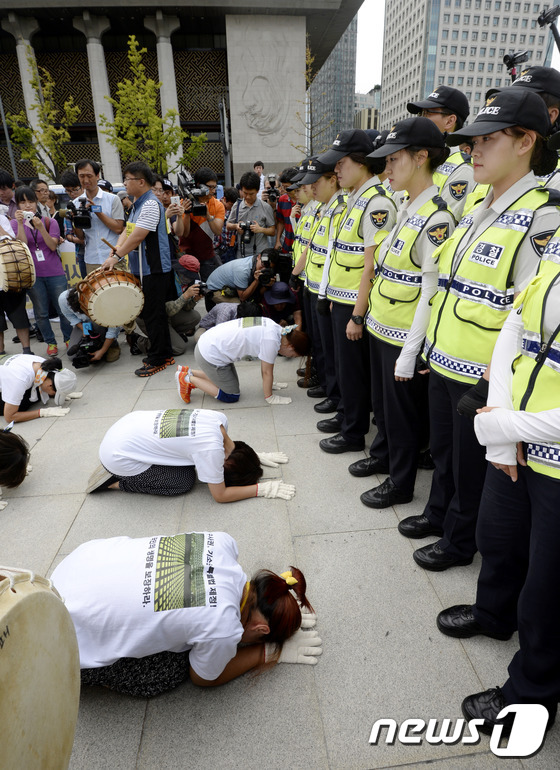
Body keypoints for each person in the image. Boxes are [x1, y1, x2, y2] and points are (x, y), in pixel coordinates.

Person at [400, 88, 560, 571]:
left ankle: (458, 542)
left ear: (525, 141)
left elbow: (526, 315)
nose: (474, 151)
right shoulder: (477, 205)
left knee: (473, 470)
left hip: (482, 374)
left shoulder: (541, 215)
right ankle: (441, 518)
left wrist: (494, 384)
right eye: (472, 142)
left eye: (488, 140)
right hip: (445, 356)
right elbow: (448, 284)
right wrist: (425, 347)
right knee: (446, 456)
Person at [435, 236, 560, 735]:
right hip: (518, 443)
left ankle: (532, 694)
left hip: (543, 449)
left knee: (548, 592)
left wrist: (506, 428)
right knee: (497, 540)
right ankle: (493, 614)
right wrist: (503, 426)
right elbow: (517, 320)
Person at [51, 531, 321, 696]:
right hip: (62, 644)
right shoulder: (225, 627)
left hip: (71, 571)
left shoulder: (222, 541)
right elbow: (203, 678)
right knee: (167, 671)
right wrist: (267, 653)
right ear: (262, 631)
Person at [360, 118, 455, 508]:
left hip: (403, 334)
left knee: (402, 417)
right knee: (384, 409)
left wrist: (409, 352)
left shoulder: (437, 217)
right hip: (381, 324)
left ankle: (400, 483)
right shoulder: (403, 204)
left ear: (421, 158)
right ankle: (386, 461)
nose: (387, 169)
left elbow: (430, 292)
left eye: (394, 160)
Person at [315, 129, 398, 453]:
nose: (336, 170)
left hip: (356, 305)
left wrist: (358, 315)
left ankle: (353, 432)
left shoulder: (376, 204)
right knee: (346, 370)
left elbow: (371, 266)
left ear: (362, 162)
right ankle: (348, 419)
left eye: (342, 162)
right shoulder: (355, 199)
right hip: (343, 299)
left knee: (354, 373)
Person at [88, 406, 296, 502]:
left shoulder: (219, 419)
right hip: (117, 458)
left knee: (188, 463)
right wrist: (263, 489)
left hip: (126, 426)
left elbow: (213, 445)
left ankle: (135, 461)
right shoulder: (210, 451)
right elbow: (220, 495)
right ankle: (116, 482)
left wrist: (253, 458)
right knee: (183, 481)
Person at [102, 162, 175, 377]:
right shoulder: (137, 205)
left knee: (154, 315)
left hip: (154, 269)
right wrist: (114, 250)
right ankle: (164, 353)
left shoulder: (151, 204)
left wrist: (116, 256)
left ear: (141, 182)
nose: (124, 184)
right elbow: (127, 230)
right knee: (152, 314)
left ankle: (160, 357)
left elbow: (138, 236)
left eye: (127, 179)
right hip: (143, 269)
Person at [291, 159, 346, 413]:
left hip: (328, 289)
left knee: (331, 347)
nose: (310, 189)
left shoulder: (338, 208)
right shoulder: (322, 208)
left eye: (314, 183)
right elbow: (311, 245)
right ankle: (326, 383)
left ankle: (334, 392)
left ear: (332, 180)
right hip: (313, 282)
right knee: (320, 342)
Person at [176, 317, 309, 405]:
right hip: (209, 355)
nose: (288, 356)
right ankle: (187, 379)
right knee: (231, 395)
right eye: (291, 355)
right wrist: (269, 397)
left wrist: (271, 384)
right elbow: (267, 372)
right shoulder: (272, 341)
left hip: (210, 344)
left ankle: (188, 371)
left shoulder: (274, 327)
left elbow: (265, 368)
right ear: (290, 346)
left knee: (227, 382)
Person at [11, 186, 72, 356]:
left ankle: (68, 339)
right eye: (22, 202)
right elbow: (21, 246)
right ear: (17, 204)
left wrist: (41, 228)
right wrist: (22, 225)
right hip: (33, 274)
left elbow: (52, 246)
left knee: (63, 309)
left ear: (37, 203)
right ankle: (50, 342)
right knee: (41, 312)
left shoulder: (48, 221)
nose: (27, 206)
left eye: (30, 201)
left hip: (55, 272)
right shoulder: (14, 223)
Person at [407, 85, 475, 221]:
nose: (420, 119)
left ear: (450, 121)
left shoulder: (462, 169)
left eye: (427, 113)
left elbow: (443, 221)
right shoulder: (423, 158)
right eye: (420, 114)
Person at [71, 159, 125, 273]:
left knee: (118, 289)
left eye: (89, 176)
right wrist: (75, 220)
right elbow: (81, 236)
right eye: (81, 176)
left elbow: (118, 228)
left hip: (113, 257)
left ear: (97, 176)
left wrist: (97, 211)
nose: (85, 180)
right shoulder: (76, 203)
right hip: (91, 259)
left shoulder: (112, 199)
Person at [0, 354, 78, 422]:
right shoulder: (19, 380)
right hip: (13, 378)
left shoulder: (45, 365)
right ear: (50, 385)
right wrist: (42, 412)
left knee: (36, 393)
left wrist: (63, 390)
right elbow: (10, 417)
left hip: (8, 370)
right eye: (54, 393)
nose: (52, 395)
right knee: (22, 405)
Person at [179, 167, 225, 281]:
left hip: (207, 257)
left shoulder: (217, 205)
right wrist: (187, 213)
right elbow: (184, 233)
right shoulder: (184, 203)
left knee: (209, 290)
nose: (213, 191)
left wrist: (208, 216)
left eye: (215, 187)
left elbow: (218, 231)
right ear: (199, 185)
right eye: (210, 187)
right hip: (187, 257)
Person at [58, 286, 121, 365]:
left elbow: (113, 328)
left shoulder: (103, 301)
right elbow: (71, 317)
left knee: (109, 357)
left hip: (102, 322)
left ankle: (112, 344)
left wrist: (101, 352)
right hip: (84, 324)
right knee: (73, 356)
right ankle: (98, 345)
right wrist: (84, 330)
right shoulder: (63, 299)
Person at [205, 248, 279, 307]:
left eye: (268, 268)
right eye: (263, 264)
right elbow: (243, 297)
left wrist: (267, 285)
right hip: (214, 289)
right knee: (239, 307)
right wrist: (256, 281)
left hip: (232, 287)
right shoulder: (243, 270)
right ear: (258, 257)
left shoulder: (258, 265)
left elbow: (259, 293)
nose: (264, 269)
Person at [226, 171, 275, 258]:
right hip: (241, 255)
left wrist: (260, 229)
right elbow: (228, 225)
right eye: (245, 193)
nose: (248, 197)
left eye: (251, 194)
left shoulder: (266, 207)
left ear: (257, 190)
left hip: (260, 255)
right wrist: (236, 226)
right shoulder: (237, 205)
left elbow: (272, 231)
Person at [59, 170, 86, 278]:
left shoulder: (91, 202)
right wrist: (79, 240)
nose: (72, 193)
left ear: (82, 186)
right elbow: (68, 234)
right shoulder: (68, 209)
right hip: (82, 253)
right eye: (68, 191)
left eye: (75, 189)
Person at [273, 167, 299, 255]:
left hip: (302, 248)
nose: (284, 190)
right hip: (287, 246)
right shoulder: (282, 200)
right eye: (282, 187)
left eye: (287, 187)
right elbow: (281, 222)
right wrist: (278, 240)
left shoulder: (306, 202)